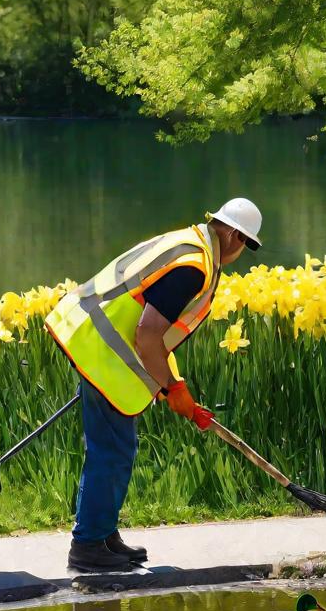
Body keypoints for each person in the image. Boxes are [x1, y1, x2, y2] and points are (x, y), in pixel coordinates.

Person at [46, 197, 263, 571]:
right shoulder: (192, 267)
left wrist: (174, 384)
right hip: (100, 350)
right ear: (230, 234)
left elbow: (157, 338)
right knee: (112, 450)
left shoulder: (190, 245)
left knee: (115, 446)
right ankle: (88, 546)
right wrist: (172, 389)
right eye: (244, 241)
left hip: (91, 337)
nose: (242, 249)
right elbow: (147, 336)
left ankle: (102, 534)